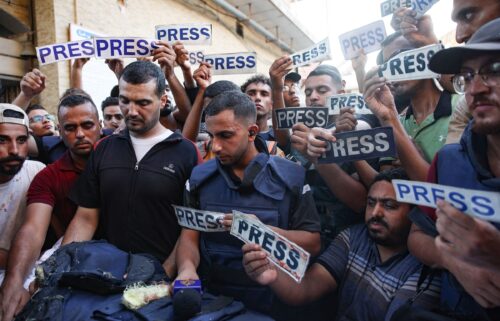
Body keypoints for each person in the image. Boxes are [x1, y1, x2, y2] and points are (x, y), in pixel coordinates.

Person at [175, 90, 320, 320]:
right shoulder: (198, 179)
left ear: (252, 132)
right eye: (212, 136)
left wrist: (261, 231)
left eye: (225, 135)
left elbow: (313, 243)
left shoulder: (291, 178)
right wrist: (186, 270)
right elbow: (190, 234)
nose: (216, 147)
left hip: (271, 304)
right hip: (212, 303)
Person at [242, 168, 440, 321]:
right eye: (371, 203)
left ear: (415, 214)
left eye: (389, 205)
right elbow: (307, 288)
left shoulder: (422, 273)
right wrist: (272, 274)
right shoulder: (353, 237)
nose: (376, 213)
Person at [61, 60, 200, 277]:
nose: (132, 111)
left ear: (162, 100)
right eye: (125, 101)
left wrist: (165, 273)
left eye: (142, 103)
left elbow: (190, 227)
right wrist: (61, 264)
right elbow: (86, 217)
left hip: (160, 278)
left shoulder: (186, 152)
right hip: (106, 275)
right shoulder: (104, 149)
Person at [408, 18, 500, 319]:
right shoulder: (448, 161)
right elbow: (417, 237)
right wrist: (455, 262)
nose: (475, 89)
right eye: (467, 76)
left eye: (494, 70)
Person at [0, 94, 101, 321]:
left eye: (87, 125)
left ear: (100, 125)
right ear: (60, 132)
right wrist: (14, 284)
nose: (81, 134)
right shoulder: (46, 175)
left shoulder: (121, 159)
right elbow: (34, 229)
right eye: (70, 127)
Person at [363, 32, 452, 182]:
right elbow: (385, 183)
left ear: (424, 55)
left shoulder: (463, 108)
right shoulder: (396, 120)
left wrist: (415, 162)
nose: (393, 70)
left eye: (399, 59)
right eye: (387, 65)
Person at [0, 104, 45, 284]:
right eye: (2, 140)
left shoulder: (37, 172)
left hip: (30, 275)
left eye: (21, 140)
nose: (14, 150)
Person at [241, 75, 275, 141]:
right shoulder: (235, 136)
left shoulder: (280, 138)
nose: (258, 98)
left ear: (272, 104)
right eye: (251, 93)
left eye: (264, 94)